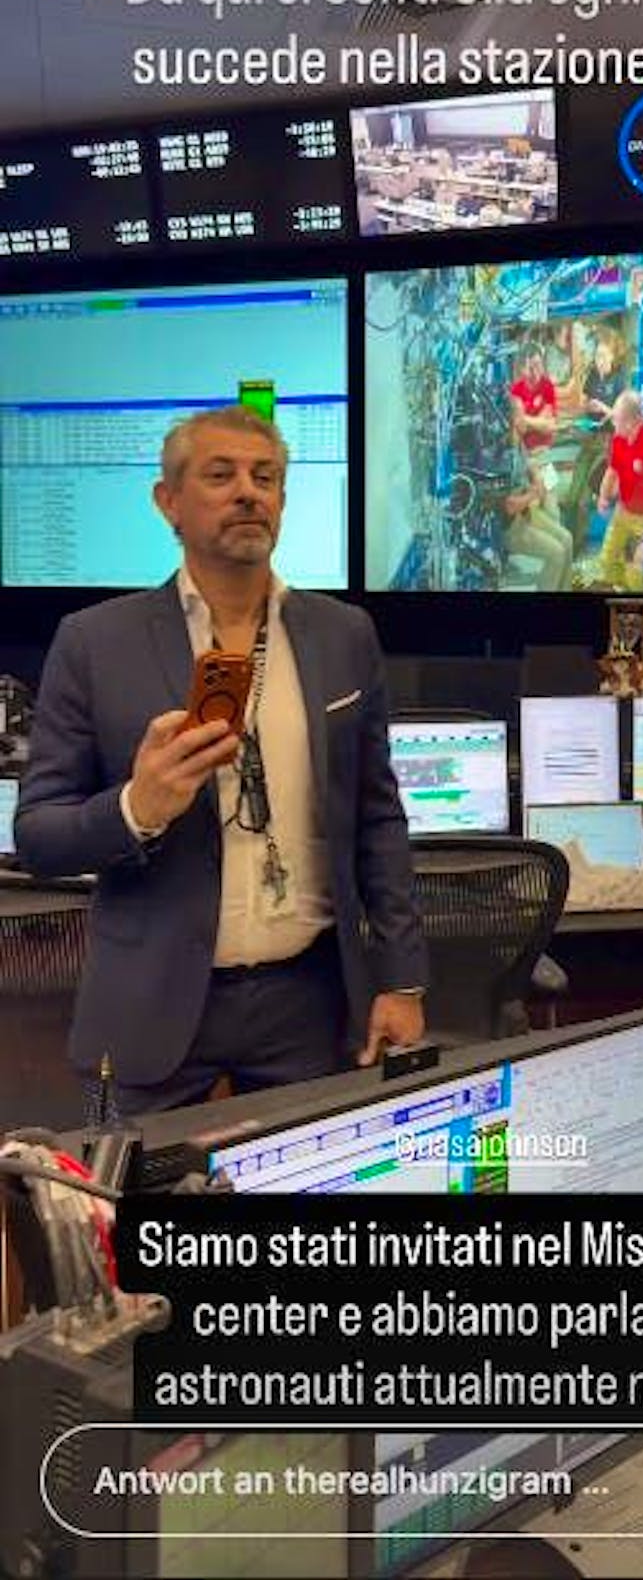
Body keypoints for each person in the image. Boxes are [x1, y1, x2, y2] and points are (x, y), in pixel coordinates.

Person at [15, 406, 427, 1114]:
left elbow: (379, 821)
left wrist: (402, 980)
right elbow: (39, 838)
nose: (248, 491)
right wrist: (135, 809)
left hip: (312, 1000)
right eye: (221, 474)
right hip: (154, 1002)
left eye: (265, 477)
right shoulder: (93, 643)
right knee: (132, 1221)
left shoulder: (344, 635)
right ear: (167, 502)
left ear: (283, 502)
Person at [596, 390, 643, 589]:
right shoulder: (619, 438)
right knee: (606, 562)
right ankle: (623, 588)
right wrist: (603, 497)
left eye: (617, 420)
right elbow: (612, 471)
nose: (613, 424)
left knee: (636, 573)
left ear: (632, 422)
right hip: (623, 510)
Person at [499, 431, 573, 591]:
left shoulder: (517, 440)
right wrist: (533, 493)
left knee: (567, 538)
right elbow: (510, 507)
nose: (525, 419)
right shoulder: (500, 452)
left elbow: (531, 466)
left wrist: (536, 475)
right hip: (509, 527)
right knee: (556, 553)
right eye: (520, 414)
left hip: (526, 513)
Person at [509, 347, 559, 456]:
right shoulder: (517, 390)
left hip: (546, 448)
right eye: (530, 368)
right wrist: (538, 421)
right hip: (526, 452)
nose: (535, 372)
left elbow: (549, 426)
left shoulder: (547, 386)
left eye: (538, 365)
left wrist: (526, 419)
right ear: (523, 369)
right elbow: (521, 428)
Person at [582, 336, 627, 418]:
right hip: (591, 425)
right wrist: (588, 407)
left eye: (603, 356)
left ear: (612, 357)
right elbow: (583, 402)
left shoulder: (618, 378)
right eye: (597, 356)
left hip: (610, 427)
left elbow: (621, 415)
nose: (600, 360)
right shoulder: (592, 374)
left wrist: (603, 408)